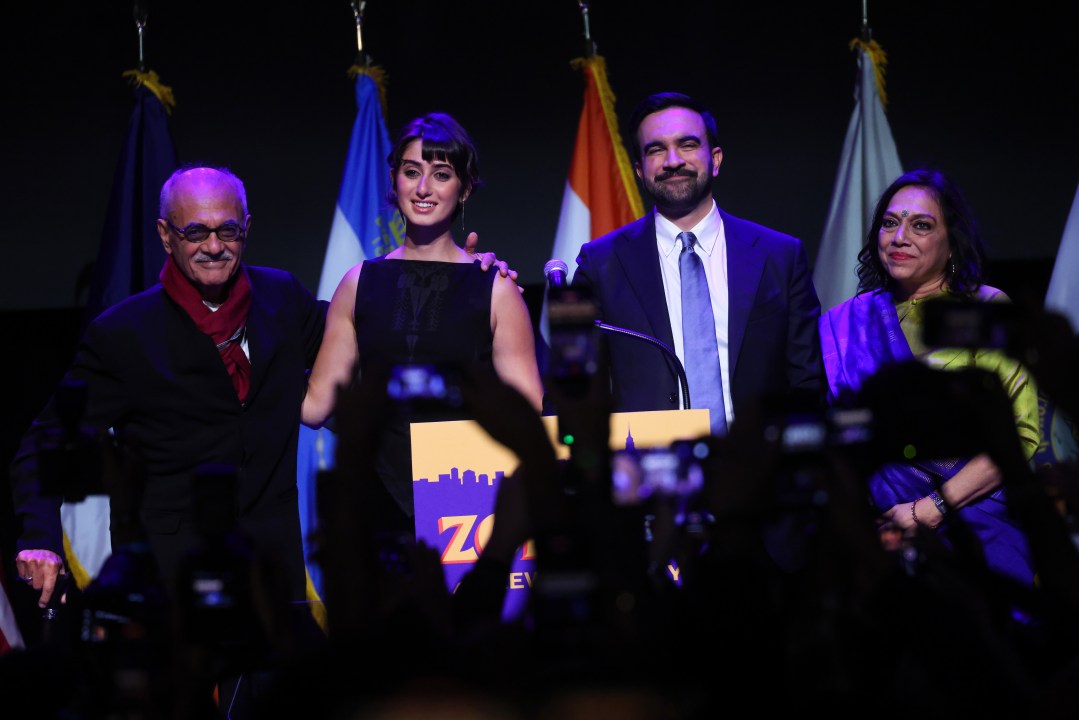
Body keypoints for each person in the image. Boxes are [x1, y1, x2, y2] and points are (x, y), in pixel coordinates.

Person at [302, 112, 544, 537]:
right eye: (411, 172)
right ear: (395, 181)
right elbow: (316, 405)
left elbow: (529, 414)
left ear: (465, 189)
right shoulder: (359, 282)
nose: (423, 188)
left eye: (441, 174)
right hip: (374, 502)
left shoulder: (495, 288)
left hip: (470, 504)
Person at [817, 167, 1041, 586]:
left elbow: (1018, 435)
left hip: (982, 532)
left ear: (951, 243)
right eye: (889, 223)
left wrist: (930, 508)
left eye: (921, 225)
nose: (899, 237)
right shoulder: (844, 323)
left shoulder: (986, 309)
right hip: (883, 536)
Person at [572, 91, 823, 435]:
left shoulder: (781, 255)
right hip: (648, 473)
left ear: (716, 159)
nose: (672, 160)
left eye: (687, 145)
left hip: (759, 471)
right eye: (656, 149)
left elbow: (806, 383)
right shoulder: (600, 264)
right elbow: (573, 388)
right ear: (640, 171)